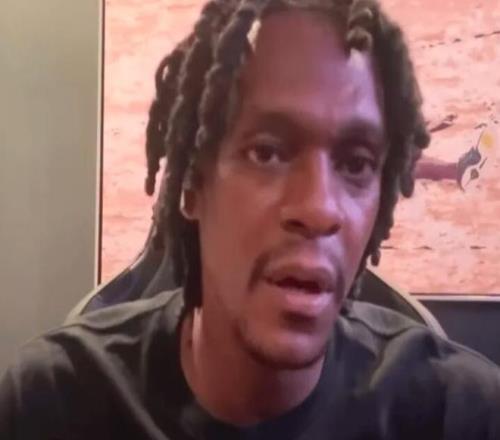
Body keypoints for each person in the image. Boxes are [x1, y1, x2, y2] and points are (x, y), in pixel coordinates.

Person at [1, 0, 500, 438]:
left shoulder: (458, 416)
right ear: (192, 185)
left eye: (355, 164)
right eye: (267, 153)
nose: (320, 209)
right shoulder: (52, 406)